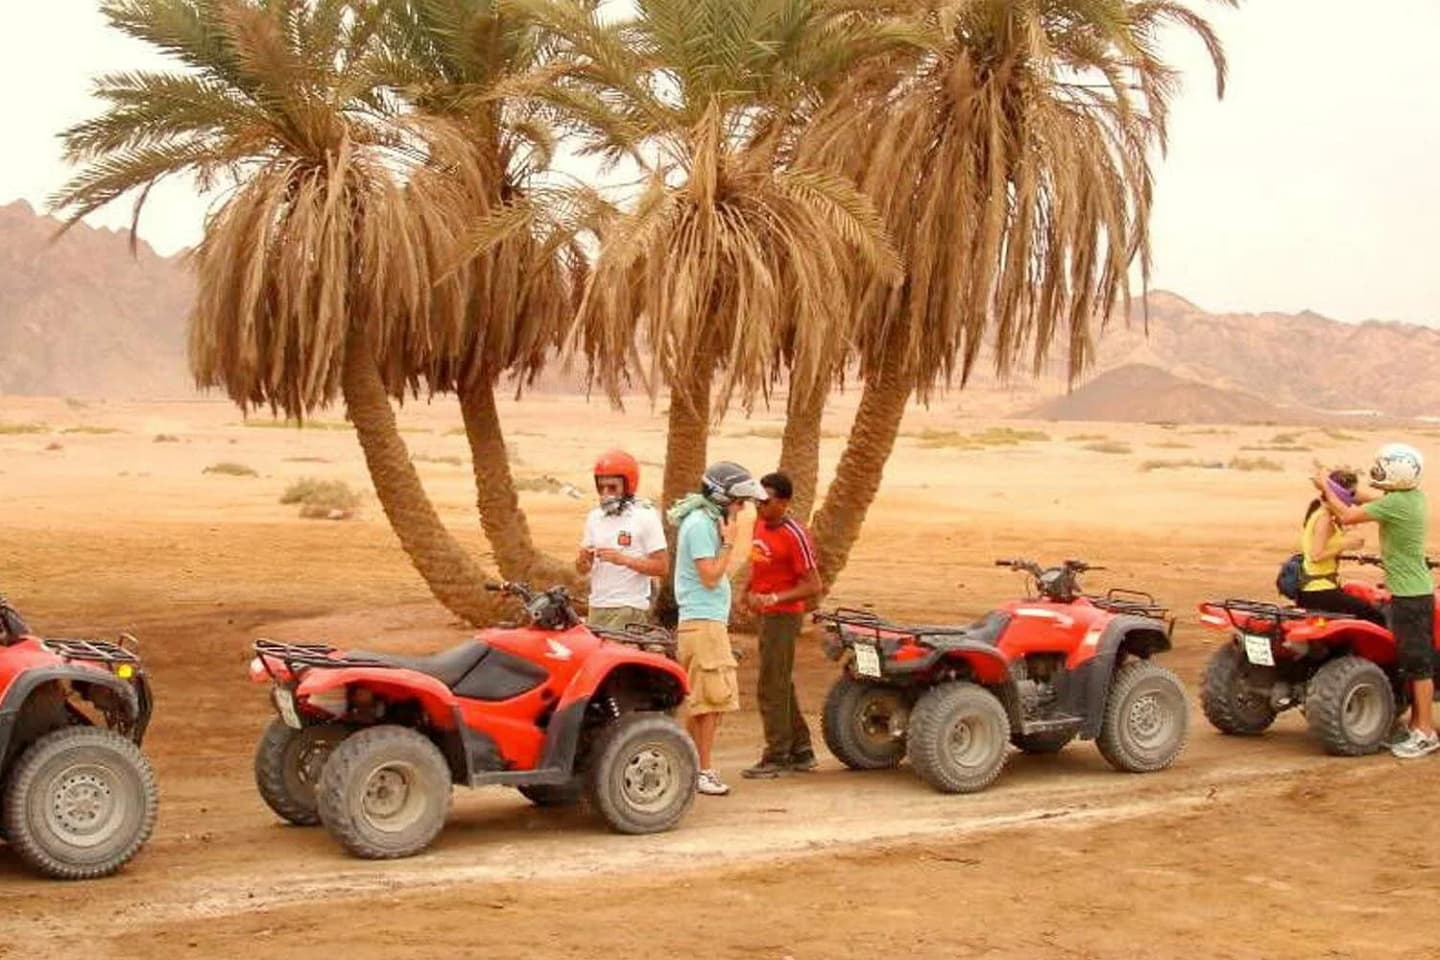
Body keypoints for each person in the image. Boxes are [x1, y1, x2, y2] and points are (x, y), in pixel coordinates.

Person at [1315, 443, 1435, 758]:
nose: (1377, 473)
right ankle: (1415, 725)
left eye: (1383, 468)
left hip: (1411, 595)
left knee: (1418, 665)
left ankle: (1425, 731)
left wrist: (1326, 483)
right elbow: (1363, 500)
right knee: (1411, 662)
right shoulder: (1408, 498)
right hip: (1409, 591)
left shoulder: (1396, 505)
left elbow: (1348, 515)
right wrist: (1338, 488)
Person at [669, 461, 769, 796]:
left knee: (706, 700)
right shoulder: (700, 525)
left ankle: (693, 766)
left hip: (706, 623)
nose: (742, 509)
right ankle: (703, 770)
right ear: (724, 499)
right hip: (703, 624)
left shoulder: (705, 520)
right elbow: (710, 575)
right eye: (740, 503)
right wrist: (729, 543)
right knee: (710, 701)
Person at [742, 472, 824, 778]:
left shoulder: (795, 534)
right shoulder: (759, 525)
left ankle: (777, 754)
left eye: (766, 501)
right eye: (756, 501)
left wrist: (776, 597)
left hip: (785, 615)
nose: (759, 507)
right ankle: (801, 750)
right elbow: (758, 562)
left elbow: (813, 584)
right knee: (779, 681)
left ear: (785, 502)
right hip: (766, 613)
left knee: (770, 684)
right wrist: (746, 591)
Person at [577, 450, 668, 631]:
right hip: (596, 606)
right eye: (601, 487)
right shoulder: (594, 517)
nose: (605, 493)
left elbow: (662, 567)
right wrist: (583, 561)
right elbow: (581, 570)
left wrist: (624, 560)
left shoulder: (645, 517)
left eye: (612, 488)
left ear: (628, 486)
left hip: (629, 608)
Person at [1296, 470, 1385, 625]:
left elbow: (1357, 499)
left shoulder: (1324, 512)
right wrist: (1346, 544)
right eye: (1352, 493)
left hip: (1323, 587)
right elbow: (1315, 555)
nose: (1354, 497)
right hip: (1319, 590)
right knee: (1374, 616)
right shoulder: (1324, 518)